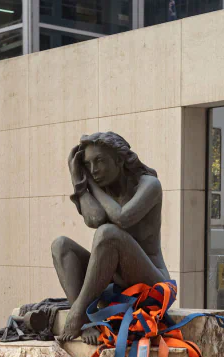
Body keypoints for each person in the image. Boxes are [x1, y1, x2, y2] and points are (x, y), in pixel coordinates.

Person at [51, 132, 170, 343]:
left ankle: (79, 311)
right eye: (88, 164)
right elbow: (95, 218)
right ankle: (86, 319)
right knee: (61, 245)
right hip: (115, 285)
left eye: (99, 161)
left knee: (108, 234)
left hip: (152, 287)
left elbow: (122, 218)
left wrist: (92, 185)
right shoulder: (103, 191)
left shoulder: (149, 185)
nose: (94, 170)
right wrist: (79, 181)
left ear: (119, 160)